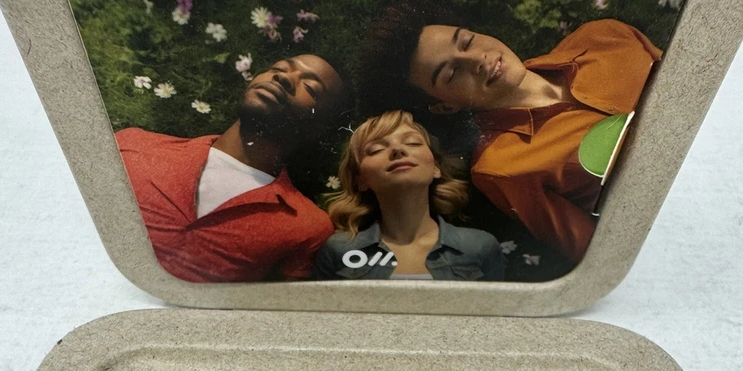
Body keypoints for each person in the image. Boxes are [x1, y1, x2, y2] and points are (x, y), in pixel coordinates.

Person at [358, 8, 661, 262]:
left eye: (467, 41)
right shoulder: (500, 168)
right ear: (445, 106)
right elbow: (600, 251)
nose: (477, 60)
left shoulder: (603, 35)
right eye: (451, 73)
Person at [116, 55, 349, 282]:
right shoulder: (132, 145)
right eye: (278, 68)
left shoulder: (306, 227)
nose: (284, 78)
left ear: (319, 128)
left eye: (310, 87)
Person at [314, 110, 503, 281]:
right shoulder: (339, 250)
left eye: (413, 143)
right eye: (376, 149)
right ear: (360, 180)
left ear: (436, 168)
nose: (398, 150)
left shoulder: (479, 247)